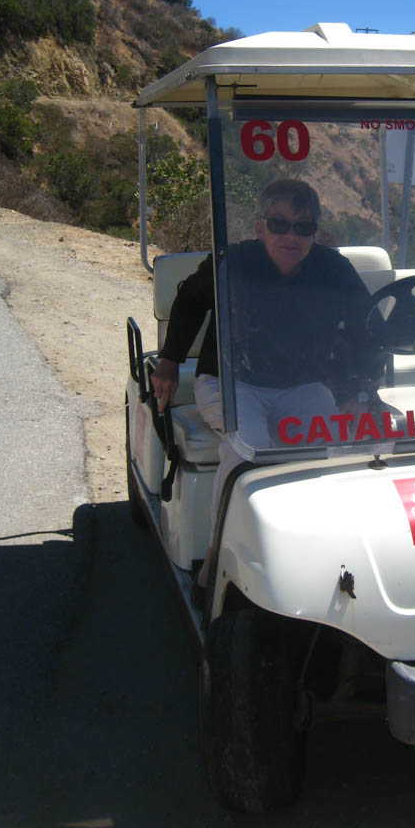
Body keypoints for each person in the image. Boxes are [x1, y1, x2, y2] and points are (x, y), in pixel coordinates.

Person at [151, 179, 379, 588]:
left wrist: (358, 391)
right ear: (260, 228)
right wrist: (169, 360)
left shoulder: (334, 269)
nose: (291, 236)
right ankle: (215, 568)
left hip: (302, 385)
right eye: (279, 224)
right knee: (248, 451)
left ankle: (319, 561)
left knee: (329, 454)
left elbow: (367, 329)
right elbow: (189, 302)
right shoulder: (232, 261)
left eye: (303, 227)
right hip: (230, 380)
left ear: (316, 232)